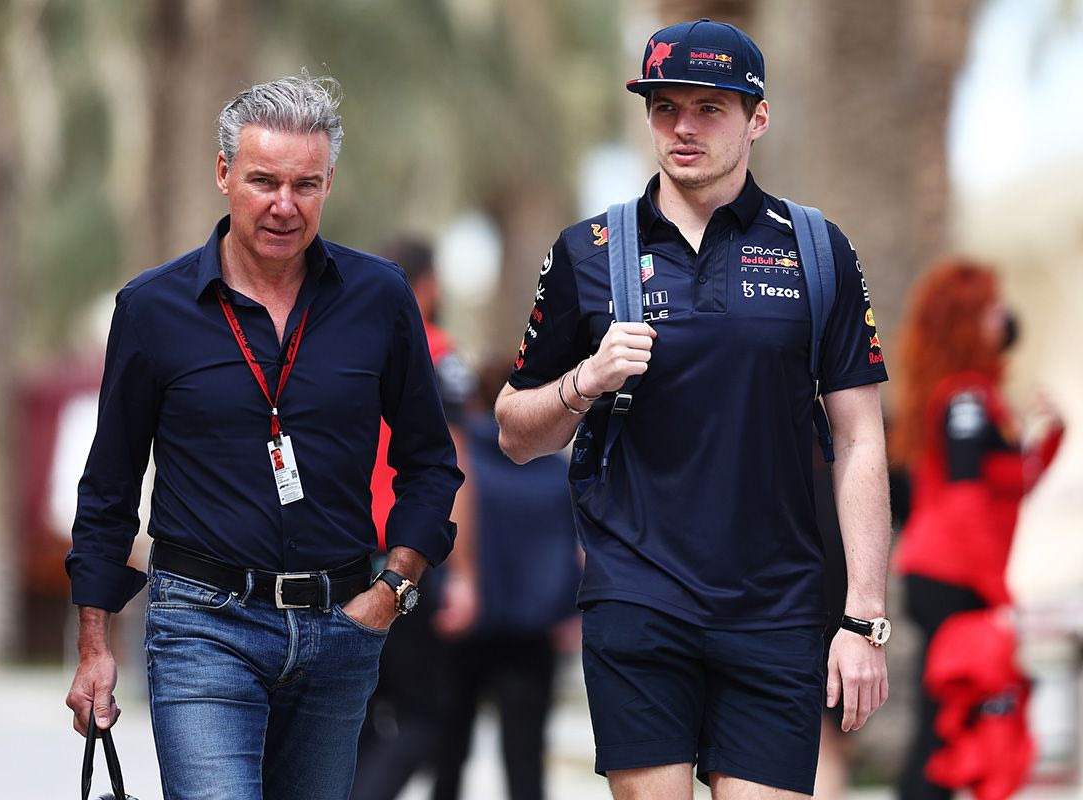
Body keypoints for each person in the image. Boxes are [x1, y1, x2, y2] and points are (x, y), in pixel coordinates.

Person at [495, 19, 891, 799]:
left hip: (777, 610)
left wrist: (864, 621)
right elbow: (513, 432)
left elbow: (860, 441)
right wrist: (585, 380)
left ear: (757, 118)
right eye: (665, 107)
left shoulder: (818, 251)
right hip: (636, 599)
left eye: (710, 108)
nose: (683, 127)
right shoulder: (587, 251)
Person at [63, 75, 463, 800]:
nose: (285, 204)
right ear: (224, 174)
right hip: (202, 626)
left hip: (340, 625)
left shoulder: (380, 298)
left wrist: (393, 590)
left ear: (329, 182)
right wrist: (94, 645)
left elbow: (431, 463)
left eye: (305, 184)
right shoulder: (153, 309)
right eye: (264, 181)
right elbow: (109, 486)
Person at [889, 260, 1030, 800]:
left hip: (950, 574)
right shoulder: (965, 398)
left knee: (954, 715)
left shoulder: (971, 395)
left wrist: (1049, 441)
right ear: (967, 321)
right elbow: (966, 501)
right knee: (947, 719)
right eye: (991, 309)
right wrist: (997, 592)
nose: (1003, 318)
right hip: (951, 577)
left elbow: (1002, 486)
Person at [352, 238, 479, 800]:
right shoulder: (438, 352)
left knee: (352, 716)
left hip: (344, 555)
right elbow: (455, 468)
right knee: (424, 717)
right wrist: (466, 574)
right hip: (407, 559)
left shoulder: (347, 338)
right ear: (426, 287)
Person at [430, 353, 582, 800]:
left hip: (463, 623)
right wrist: (573, 611)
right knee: (525, 757)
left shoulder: (460, 463)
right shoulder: (557, 471)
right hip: (534, 630)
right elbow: (577, 548)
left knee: (448, 750)